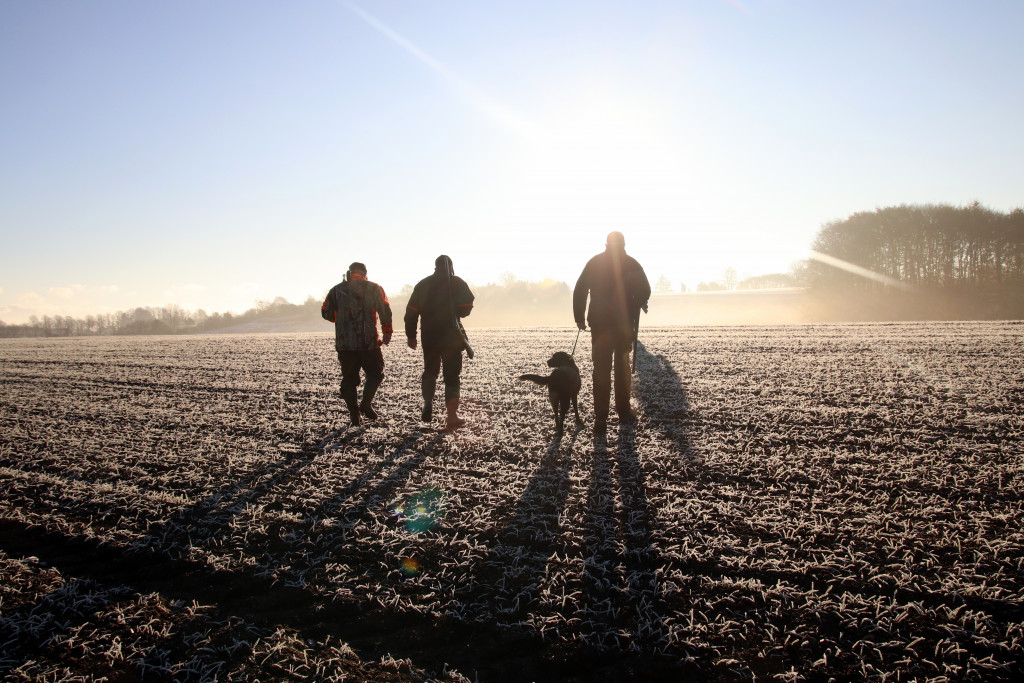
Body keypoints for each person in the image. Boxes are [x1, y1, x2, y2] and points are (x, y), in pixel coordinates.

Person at [573, 231, 650, 436]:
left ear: (606, 244)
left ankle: (601, 415)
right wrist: (635, 304)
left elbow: (580, 289)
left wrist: (579, 316)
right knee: (622, 367)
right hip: (624, 323)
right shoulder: (631, 263)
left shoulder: (595, 263)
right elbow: (645, 290)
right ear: (623, 244)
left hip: (599, 323)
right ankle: (623, 410)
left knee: (601, 369)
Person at [405, 255, 475, 431]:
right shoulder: (457, 282)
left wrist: (411, 335)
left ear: (435, 267)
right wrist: (456, 309)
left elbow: (411, 312)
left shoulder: (423, 284)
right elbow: (467, 306)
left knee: (430, 371)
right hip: (451, 337)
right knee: (452, 377)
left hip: (429, 337)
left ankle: (427, 402)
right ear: (451, 266)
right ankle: (452, 416)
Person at [321, 262, 393, 426]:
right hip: (369, 343)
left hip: (345, 344)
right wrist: (387, 331)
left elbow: (326, 312)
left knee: (349, 380)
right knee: (376, 373)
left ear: (349, 272)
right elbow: (385, 310)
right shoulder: (374, 288)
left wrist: (340, 318)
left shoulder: (336, 290)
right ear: (365, 273)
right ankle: (365, 404)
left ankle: (354, 413)